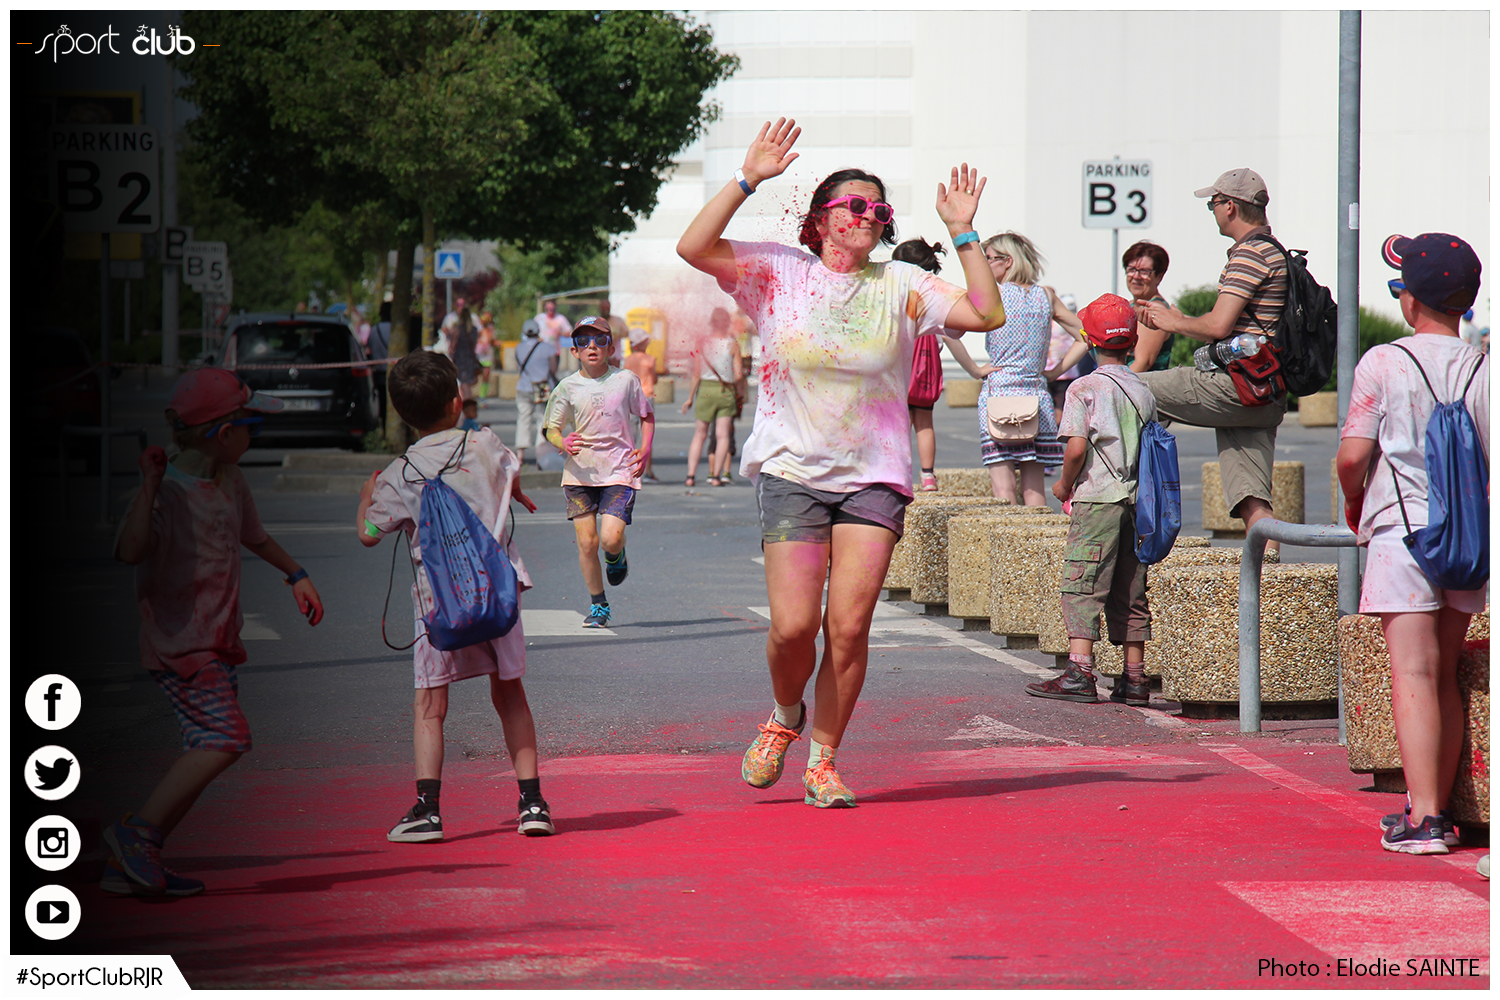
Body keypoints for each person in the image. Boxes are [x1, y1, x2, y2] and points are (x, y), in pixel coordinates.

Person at [675, 117, 1005, 808]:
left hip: (874, 477)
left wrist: (963, 231)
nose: (869, 216)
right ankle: (784, 714)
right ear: (822, 218)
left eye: (879, 210)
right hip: (792, 471)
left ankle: (822, 761)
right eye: (856, 204)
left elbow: (986, 314)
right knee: (793, 627)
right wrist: (747, 178)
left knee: (848, 629)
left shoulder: (903, 283)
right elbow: (693, 247)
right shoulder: (777, 272)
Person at [107, 369, 325, 895]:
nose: (255, 438)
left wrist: (296, 574)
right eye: (253, 427)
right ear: (225, 434)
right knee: (225, 739)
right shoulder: (167, 491)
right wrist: (149, 487)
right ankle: (134, 834)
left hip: (220, 641)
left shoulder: (231, 479)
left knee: (203, 748)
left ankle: (134, 861)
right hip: (181, 645)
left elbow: (256, 537)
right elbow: (130, 551)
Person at [355, 350, 553, 842]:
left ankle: (428, 810)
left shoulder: (400, 473)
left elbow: (369, 534)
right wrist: (515, 491)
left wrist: (365, 499)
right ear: (457, 401)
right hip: (498, 595)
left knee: (429, 704)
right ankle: (532, 803)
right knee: (510, 695)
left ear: (402, 414)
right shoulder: (484, 443)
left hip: (438, 605)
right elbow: (510, 470)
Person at [1336, 232, 1487, 855]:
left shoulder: (1385, 362)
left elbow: (1353, 456)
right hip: (1467, 539)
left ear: (1410, 300)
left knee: (1414, 672)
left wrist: (1354, 501)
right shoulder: (1485, 367)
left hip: (1402, 530)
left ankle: (1424, 819)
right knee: (1444, 672)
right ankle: (1439, 807)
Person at [1134, 168, 1288, 550]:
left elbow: (1219, 326)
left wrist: (1173, 321)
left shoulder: (1250, 254)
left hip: (1237, 385)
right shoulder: (1275, 251)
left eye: (1213, 204)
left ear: (1230, 206)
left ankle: (1110, 496)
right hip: (1264, 391)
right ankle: (1271, 576)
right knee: (1253, 500)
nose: (1213, 211)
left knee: (1124, 388)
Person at [1026, 294, 1157, 706]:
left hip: (1097, 500)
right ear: (1133, 340)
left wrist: (1064, 485)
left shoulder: (1084, 388)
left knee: (1082, 584)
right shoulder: (1143, 390)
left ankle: (1080, 672)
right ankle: (1134, 679)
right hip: (1136, 505)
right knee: (1130, 589)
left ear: (1088, 339)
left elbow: (1077, 448)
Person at [946, 232, 1084, 506]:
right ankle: (1039, 534)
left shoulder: (990, 295)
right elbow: (1085, 335)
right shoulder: (1046, 296)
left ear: (1007, 261)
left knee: (1004, 489)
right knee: (1035, 491)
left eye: (988, 258)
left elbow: (948, 331)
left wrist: (974, 370)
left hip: (998, 395)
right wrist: (1055, 372)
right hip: (1036, 396)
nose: (984, 264)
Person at [544, 316, 655, 629]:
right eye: (583, 341)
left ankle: (616, 554)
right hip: (580, 473)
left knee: (610, 538)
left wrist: (645, 448)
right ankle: (598, 604)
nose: (591, 346)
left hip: (619, 470)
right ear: (574, 351)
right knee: (586, 543)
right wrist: (562, 441)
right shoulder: (566, 387)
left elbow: (646, 415)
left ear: (611, 348)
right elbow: (551, 428)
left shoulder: (626, 380)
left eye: (600, 340)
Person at [891, 238, 949, 490]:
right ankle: (928, 476)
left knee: (899, 423)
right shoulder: (934, 297)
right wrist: (974, 368)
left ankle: (898, 472)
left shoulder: (895, 296)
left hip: (900, 370)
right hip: (925, 370)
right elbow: (949, 335)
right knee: (925, 423)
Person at [681, 307, 744, 487]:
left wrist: (690, 397)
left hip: (705, 390)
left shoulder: (702, 343)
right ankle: (716, 476)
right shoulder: (733, 344)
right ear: (727, 323)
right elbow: (738, 375)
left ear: (711, 323)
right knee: (722, 435)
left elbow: (696, 373)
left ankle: (690, 476)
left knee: (699, 434)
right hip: (725, 391)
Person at [1121, 241, 1175, 373]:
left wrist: (1113, 384)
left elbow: (1143, 363)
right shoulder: (1129, 306)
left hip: (1142, 384)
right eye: (1131, 270)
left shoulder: (1154, 310)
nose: (1136, 276)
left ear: (1159, 276)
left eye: (1144, 272)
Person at [514, 318, 558, 467]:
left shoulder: (519, 348)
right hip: (542, 387)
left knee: (523, 418)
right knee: (542, 419)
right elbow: (553, 369)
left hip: (524, 386)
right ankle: (541, 453)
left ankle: (520, 454)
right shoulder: (548, 348)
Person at [622, 330, 660, 483]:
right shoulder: (650, 359)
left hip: (630, 397)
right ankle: (647, 471)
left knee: (630, 435)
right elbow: (654, 379)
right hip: (647, 397)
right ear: (641, 343)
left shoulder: (628, 360)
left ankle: (626, 469)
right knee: (647, 437)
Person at [450, 306, 481, 401]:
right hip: (470, 358)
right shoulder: (474, 330)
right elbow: (474, 344)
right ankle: (468, 403)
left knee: (463, 383)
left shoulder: (458, 329)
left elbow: (452, 345)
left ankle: (467, 403)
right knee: (466, 383)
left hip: (460, 359)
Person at [599, 299, 628, 367]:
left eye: (607, 308)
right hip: (601, 355)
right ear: (600, 308)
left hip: (615, 354)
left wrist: (616, 335)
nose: (605, 310)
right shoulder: (596, 321)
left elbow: (626, 333)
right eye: (603, 308)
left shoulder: (617, 320)